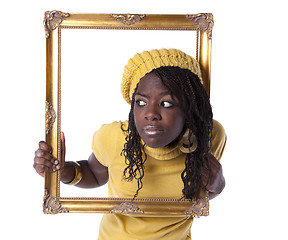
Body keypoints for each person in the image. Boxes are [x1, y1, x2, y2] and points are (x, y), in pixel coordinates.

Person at [34, 48, 227, 240]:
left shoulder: (209, 136)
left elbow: (197, 197)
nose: (150, 114)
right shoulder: (114, 138)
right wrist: (61, 171)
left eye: (166, 103)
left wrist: (217, 186)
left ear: (190, 108)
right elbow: (94, 174)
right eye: (141, 103)